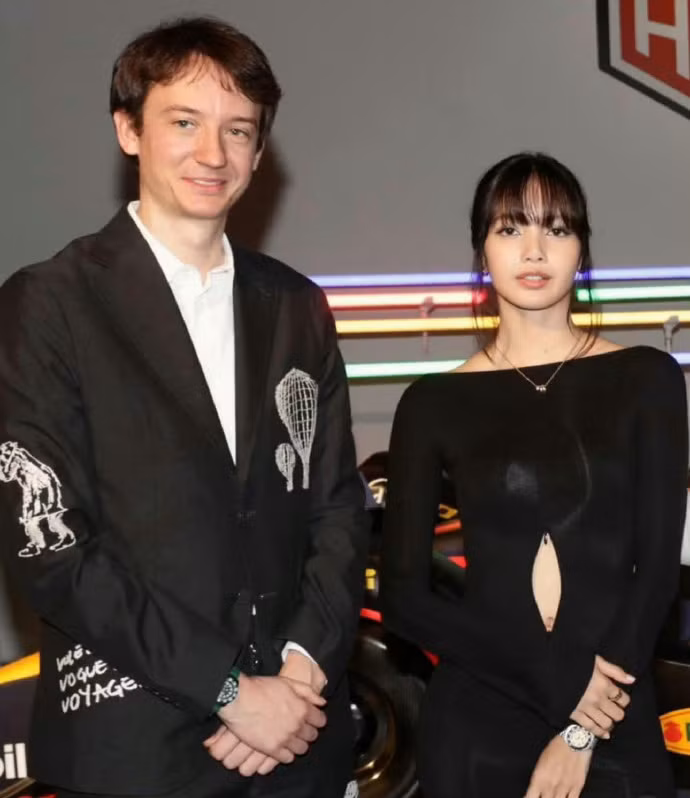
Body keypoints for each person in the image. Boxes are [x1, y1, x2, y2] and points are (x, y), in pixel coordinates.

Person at [0, 16, 368, 798]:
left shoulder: (297, 306)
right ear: (128, 129)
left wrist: (298, 676)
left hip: (299, 745)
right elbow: (51, 546)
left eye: (239, 130)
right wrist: (231, 691)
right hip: (136, 747)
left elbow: (337, 507)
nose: (213, 154)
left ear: (260, 153)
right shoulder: (50, 304)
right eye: (184, 122)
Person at [380, 152, 688, 798]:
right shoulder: (433, 403)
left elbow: (657, 573)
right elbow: (406, 596)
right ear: (482, 248)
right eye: (510, 227)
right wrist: (563, 689)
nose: (534, 249)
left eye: (557, 228)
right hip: (479, 717)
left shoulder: (647, 380)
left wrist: (581, 730)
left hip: (611, 706)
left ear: (582, 249)